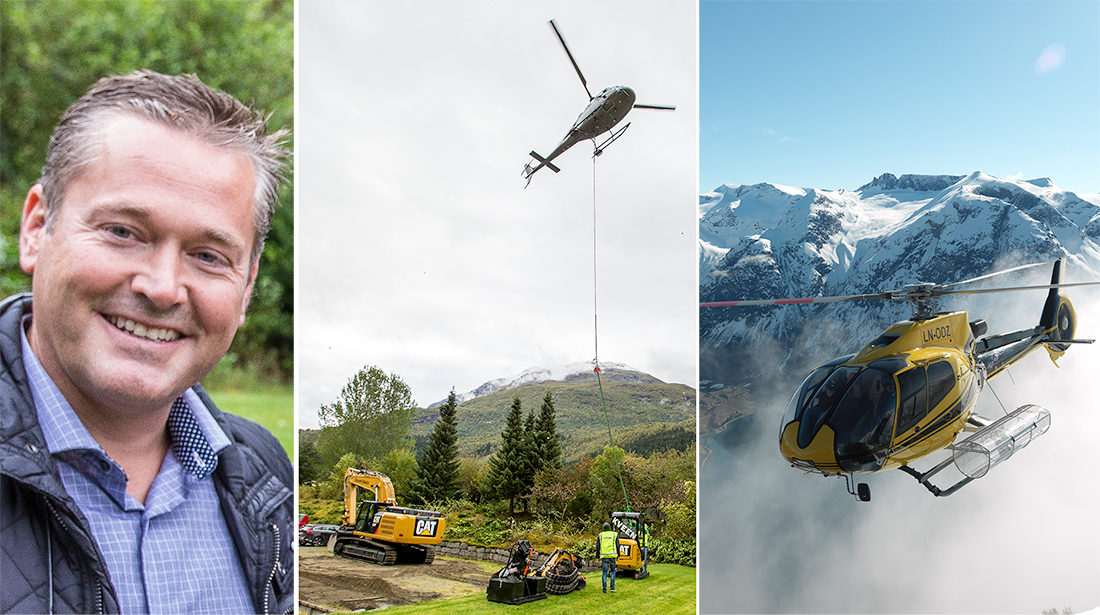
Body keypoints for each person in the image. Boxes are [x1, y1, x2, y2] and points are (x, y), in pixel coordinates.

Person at [0, 70, 293, 614]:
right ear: (38, 228)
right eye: (123, 231)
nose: (162, 288)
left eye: (208, 256)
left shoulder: (267, 475)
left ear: (247, 286)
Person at [597, 522, 620, 594]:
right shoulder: (614, 534)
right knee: (613, 571)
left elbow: (597, 546)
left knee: (604, 573)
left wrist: (598, 556)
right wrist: (618, 555)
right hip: (612, 556)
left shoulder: (600, 535)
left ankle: (604, 589)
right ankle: (612, 588)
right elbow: (618, 545)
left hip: (604, 557)